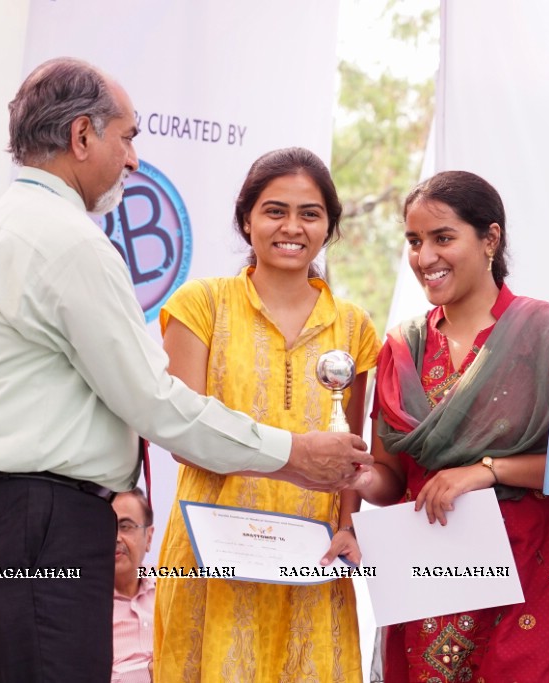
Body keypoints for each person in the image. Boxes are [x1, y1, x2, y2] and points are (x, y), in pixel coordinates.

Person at [0, 58, 371, 683]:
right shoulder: (70, 242)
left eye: (311, 213)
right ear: (82, 137)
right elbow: (156, 404)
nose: (133, 159)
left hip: (13, 517)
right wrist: (294, 453)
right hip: (37, 519)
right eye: (127, 137)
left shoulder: (3, 228)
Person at [355, 170, 549, 682]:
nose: (424, 257)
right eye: (414, 242)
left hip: (529, 575)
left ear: (490, 239)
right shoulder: (403, 348)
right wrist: (354, 476)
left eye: (443, 238)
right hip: (430, 580)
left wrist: (489, 470)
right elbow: (390, 480)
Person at [153, 147, 378, 682]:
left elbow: (353, 452)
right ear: (246, 219)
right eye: (275, 210)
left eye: (310, 213)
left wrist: (348, 526)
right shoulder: (200, 305)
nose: (291, 227)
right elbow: (184, 436)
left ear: (329, 226)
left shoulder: (354, 328)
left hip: (313, 556)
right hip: (213, 551)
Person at [112, 488, 155, 683]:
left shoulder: (173, 589)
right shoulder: (76, 602)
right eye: (107, 527)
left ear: (149, 537)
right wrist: (148, 673)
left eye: (126, 526)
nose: (116, 537)